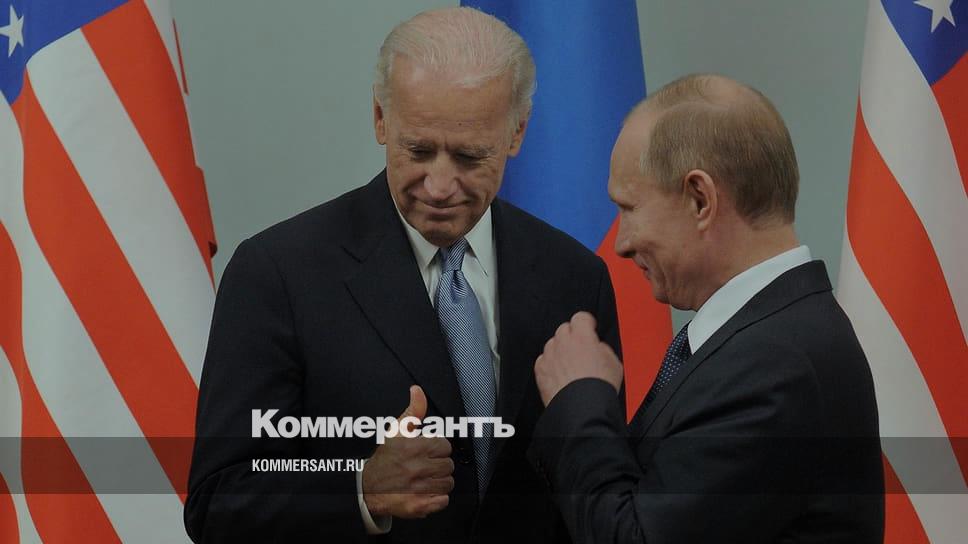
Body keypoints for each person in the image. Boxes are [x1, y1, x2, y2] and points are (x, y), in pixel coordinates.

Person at [184, 7, 621, 543]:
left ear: (517, 133)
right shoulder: (278, 275)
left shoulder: (574, 278)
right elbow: (217, 502)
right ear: (380, 118)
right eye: (418, 150)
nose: (439, 186)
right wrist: (362, 490)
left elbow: (601, 496)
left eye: (469, 157)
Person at [529, 74, 884, 543]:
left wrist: (579, 399)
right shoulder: (772, 336)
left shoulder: (772, 366)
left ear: (701, 199)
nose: (621, 243)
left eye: (629, 208)